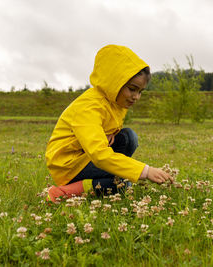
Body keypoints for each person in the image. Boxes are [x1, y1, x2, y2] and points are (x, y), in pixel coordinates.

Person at [45, 44, 173, 202]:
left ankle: (110, 178)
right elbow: (99, 154)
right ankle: (63, 192)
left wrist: (109, 134)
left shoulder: (115, 101)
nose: (136, 97)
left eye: (140, 91)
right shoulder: (89, 106)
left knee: (127, 137)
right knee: (122, 185)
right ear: (115, 82)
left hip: (84, 156)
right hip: (69, 166)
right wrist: (144, 171)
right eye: (132, 89)